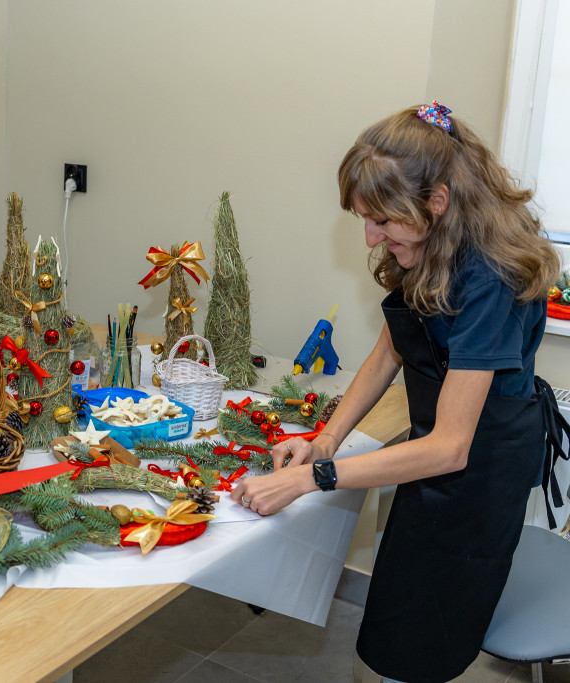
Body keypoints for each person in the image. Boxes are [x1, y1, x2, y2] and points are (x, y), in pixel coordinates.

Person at [230, 102, 565, 683]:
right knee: (397, 624)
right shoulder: (434, 240)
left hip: (478, 476)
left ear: (438, 201)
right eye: (365, 219)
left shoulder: (490, 278)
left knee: (417, 646)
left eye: (383, 220)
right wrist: (325, 440)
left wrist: (312, 478)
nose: (371, 236)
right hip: (432, 457)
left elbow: (451, 448)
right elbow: (391, 349)